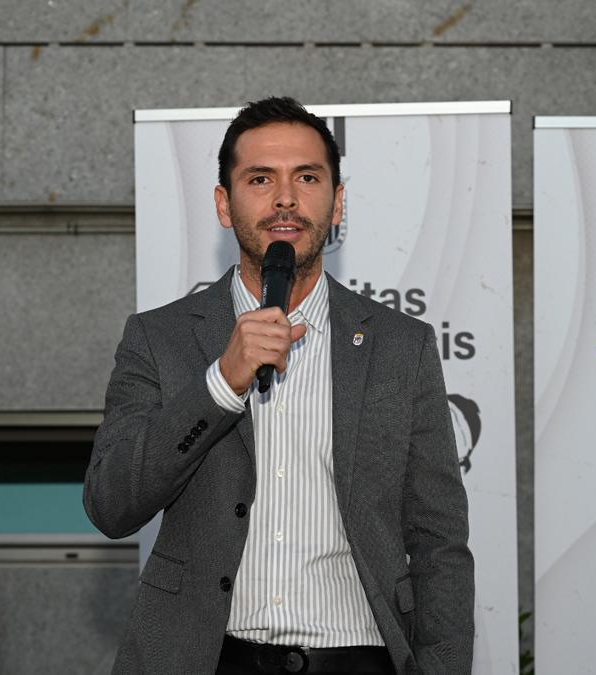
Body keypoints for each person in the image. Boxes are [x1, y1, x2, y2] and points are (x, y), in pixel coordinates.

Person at [84, 96, 473, 674]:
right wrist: (221, 382)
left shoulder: (401, 346)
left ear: (337, 202)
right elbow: (111, 505)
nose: (286, 198)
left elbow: (438, 541)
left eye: (308, 177)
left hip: (359, 660)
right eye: (260, 178)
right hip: (207, 659)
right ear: (224, 203)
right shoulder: (157, 339)